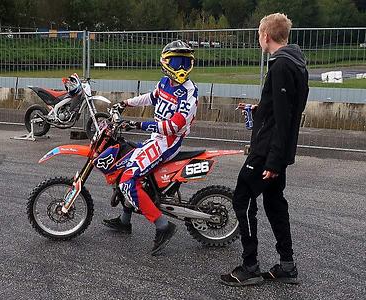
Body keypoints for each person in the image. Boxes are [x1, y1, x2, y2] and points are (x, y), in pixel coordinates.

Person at [220, 13, 309, 286]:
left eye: (259, 35)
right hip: (277, 150)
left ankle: (250, 267)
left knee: (242, 199)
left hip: (268, 151)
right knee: (273, 202)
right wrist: (259, 109)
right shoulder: (297, 63)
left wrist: (272, 161)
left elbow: (283, 119)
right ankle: (287, 265)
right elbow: (289, 109)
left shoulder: (281, 66)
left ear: (265, 36)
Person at [102, 40, 198, 255]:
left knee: (128, 179)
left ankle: (163, 226)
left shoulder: (189, 93)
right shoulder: (165, 83)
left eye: (185, 62)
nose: (181, 67)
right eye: (176, 62)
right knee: (123, 165)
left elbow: (174, 126)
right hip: (157, 138)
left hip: (168, 142)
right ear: (166, 64)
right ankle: (125, 220)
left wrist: (138, 124)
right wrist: (126, 103)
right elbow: (151, 97)